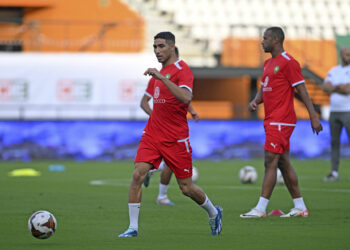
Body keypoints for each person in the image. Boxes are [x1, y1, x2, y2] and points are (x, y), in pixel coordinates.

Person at [119, 32, 222, 237]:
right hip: (152, 134)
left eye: (161, 46)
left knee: (186, 187)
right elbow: (151, 103)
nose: (157, 51)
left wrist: (162, 79)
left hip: (175, 139)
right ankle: (132, 228)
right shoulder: (161, 72)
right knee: (138, 174)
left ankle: (213, 212)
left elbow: (185, 97)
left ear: (172, 46)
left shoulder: (182, 71)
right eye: (155, 46)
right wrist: (156, 116)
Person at [241, 27, 323, 218]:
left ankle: (260, 209)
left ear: (276, 40)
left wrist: (313, 115)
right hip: (272, 119)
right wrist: (256, 100)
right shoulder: (268, 63)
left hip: (282, 120)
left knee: (270, 160)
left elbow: (301, 90)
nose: (262, 41)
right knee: (283, 163)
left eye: (265, 38)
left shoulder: (289, 63)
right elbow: (265, 87)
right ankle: (300, 207)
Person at [141, 46, 200, 206]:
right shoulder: (156, 78)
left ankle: (160, 191)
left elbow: (180, 98)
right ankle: (161, 194)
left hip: (173, 129)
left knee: (170, 165)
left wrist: (192, 110)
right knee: (169, 165)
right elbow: (144, 102)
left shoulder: (178, 72)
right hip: (162, 131)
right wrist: (157, 118)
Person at [322, 47, 350, 182]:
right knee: (334, 142)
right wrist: (340, 86)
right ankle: (333, 172)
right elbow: (325, 87)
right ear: (341, 55)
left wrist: (335, 87)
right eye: (347, 54)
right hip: (334, 111)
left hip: (348, 110)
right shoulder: (334, 70)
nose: (349, 56)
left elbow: (348, 89)